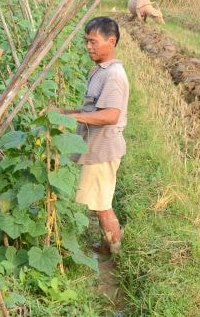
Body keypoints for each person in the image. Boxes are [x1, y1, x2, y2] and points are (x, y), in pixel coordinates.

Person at [60, 16, 129, 255]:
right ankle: (106, 245)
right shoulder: (100, 70)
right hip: (96, 148)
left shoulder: (113, 76)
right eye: (86, 41)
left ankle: (116, 252)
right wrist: (63, 112)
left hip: (103, 150)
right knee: (100, 202)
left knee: (102, 206)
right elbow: (92, 110)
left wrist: (72, 118)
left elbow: (110, 115)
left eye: (93, 41)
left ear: (111, 41)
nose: (88, 46)